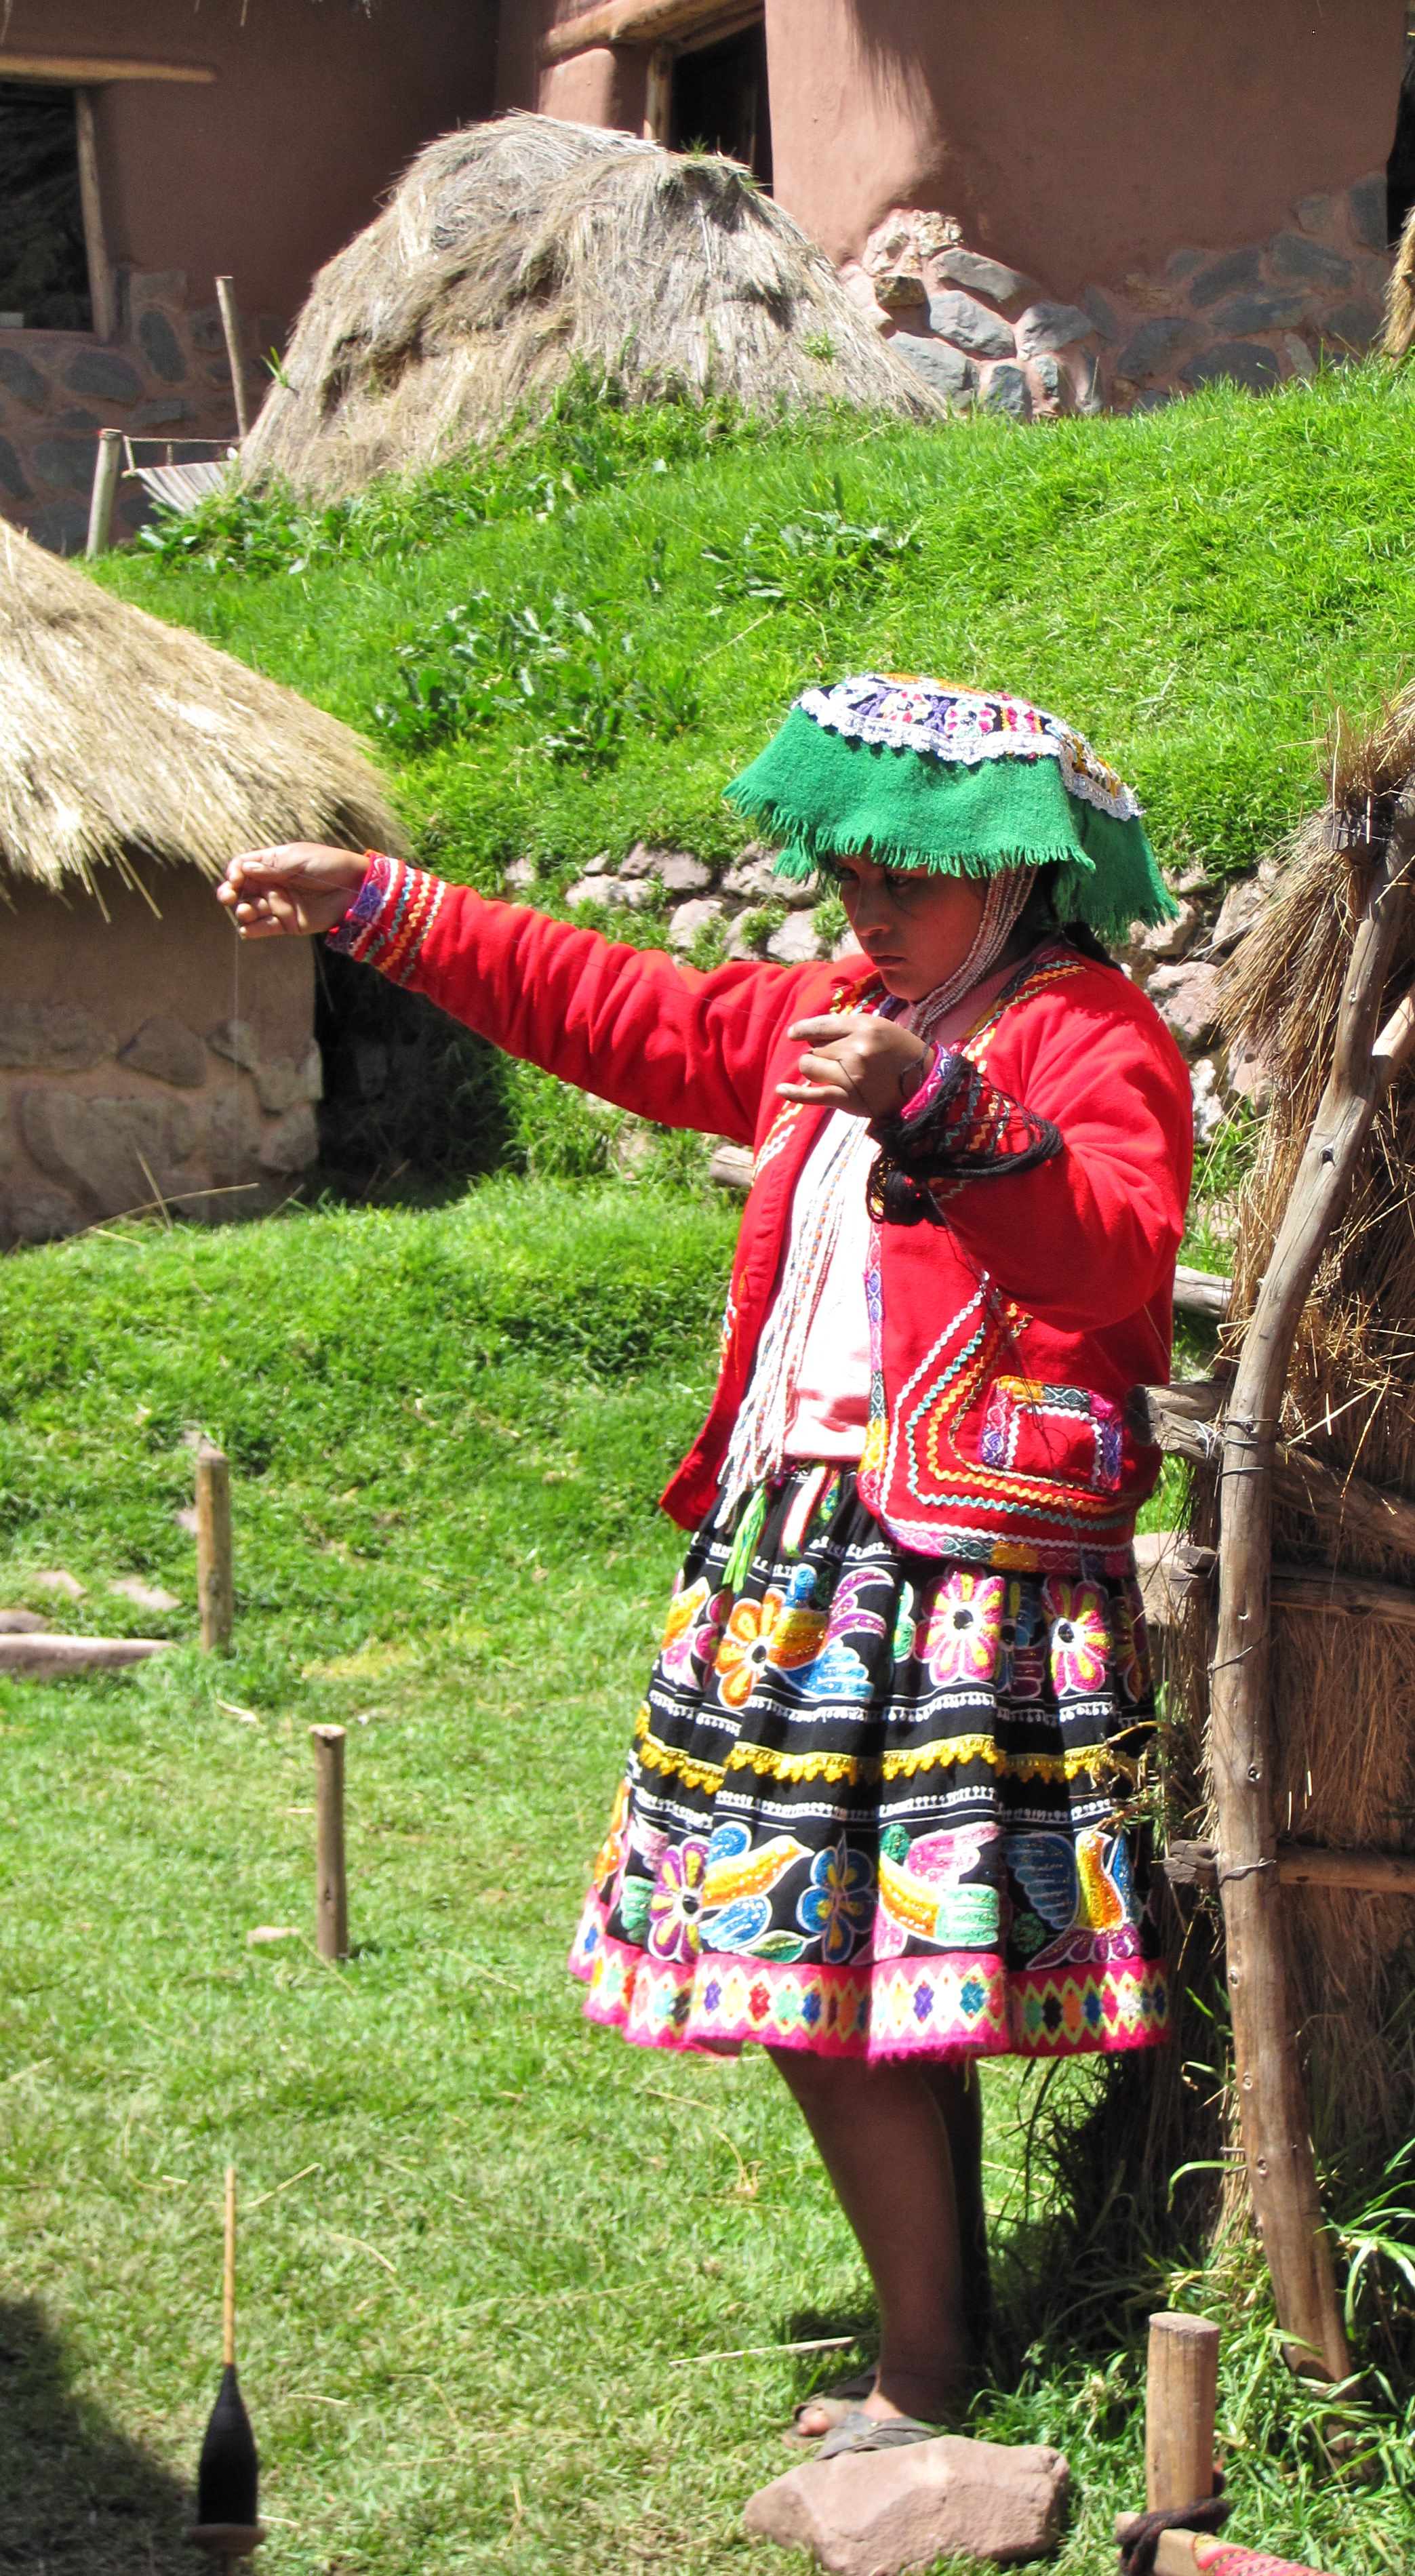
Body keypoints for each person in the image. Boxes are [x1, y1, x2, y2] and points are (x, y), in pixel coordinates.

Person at [218, 675, 1193, 2455]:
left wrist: (943, 1109)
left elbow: (1111, 1258)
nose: (868, 910)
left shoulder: (1088, 1035)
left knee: (837, 1972)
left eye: (907, 879)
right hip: (799, 1549)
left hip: (954, 1571)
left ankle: (928, 2369)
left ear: (1011, 873)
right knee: (838, 1974)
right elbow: (616, 1003)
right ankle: (939, 2339)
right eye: (850, 876)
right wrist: (376, 904)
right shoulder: (829, 1014)